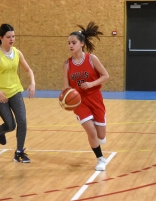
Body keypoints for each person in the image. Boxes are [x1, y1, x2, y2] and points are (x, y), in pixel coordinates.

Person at [0, 24, 35, 163]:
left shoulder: (17, 52)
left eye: (13, 36)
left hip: (15, 91)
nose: (12, 39)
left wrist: (32, 83)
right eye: (8, 37)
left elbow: (28, 69)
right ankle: (0, 130)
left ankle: (19, 152)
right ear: (1, 38)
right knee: (11, 126)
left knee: (22, 121)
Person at [62, 22, 109, 171]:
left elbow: (106, 76)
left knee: (101, 135)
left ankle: (99, 138)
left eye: (73, 42)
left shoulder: (91, 59)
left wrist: (91, 84)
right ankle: (100, 159)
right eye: (69, 43)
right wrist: (65, 98)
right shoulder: (67, 64)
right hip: (79, 101)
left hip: (95, 97)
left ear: (81, 43)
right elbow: (66, 87)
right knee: (91, 131)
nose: (71, 45)